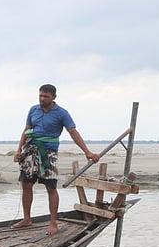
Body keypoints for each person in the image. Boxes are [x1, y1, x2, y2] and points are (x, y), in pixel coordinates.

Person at [12, 84, 100, 235]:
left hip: (49, 153)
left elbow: (73, 132)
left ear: (53, 97)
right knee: (26, 184)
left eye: (46, 96)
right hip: (31, 150)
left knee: (51, 187)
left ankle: (53, 223)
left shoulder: (62, 113)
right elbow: (26, 130)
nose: (42, 99)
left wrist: (88, 152)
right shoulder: (33, 110)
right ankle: (27, 219)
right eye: (40, 95)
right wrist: (19, 149)